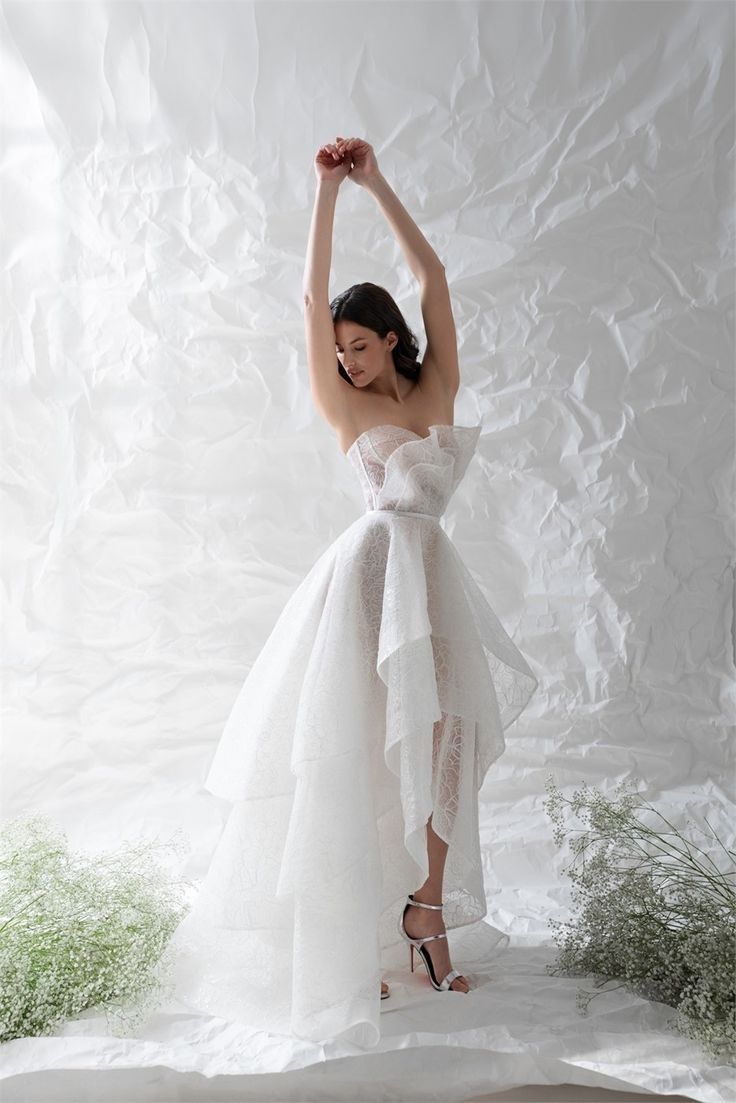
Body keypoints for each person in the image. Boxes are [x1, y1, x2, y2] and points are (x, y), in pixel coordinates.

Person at [165, 138, 538, 1049]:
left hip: (433, 578)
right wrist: (325, 193)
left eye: (363, 347)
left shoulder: (435, 385)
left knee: (447, 733)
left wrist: (377, 183)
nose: (348, 364)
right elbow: (309, 296)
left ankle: (425, 907)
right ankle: (357, 932)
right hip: (369, 581)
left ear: (397, 341)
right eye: (339, 353)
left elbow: (435, 273)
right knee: (368, 746)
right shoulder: (346, 408)